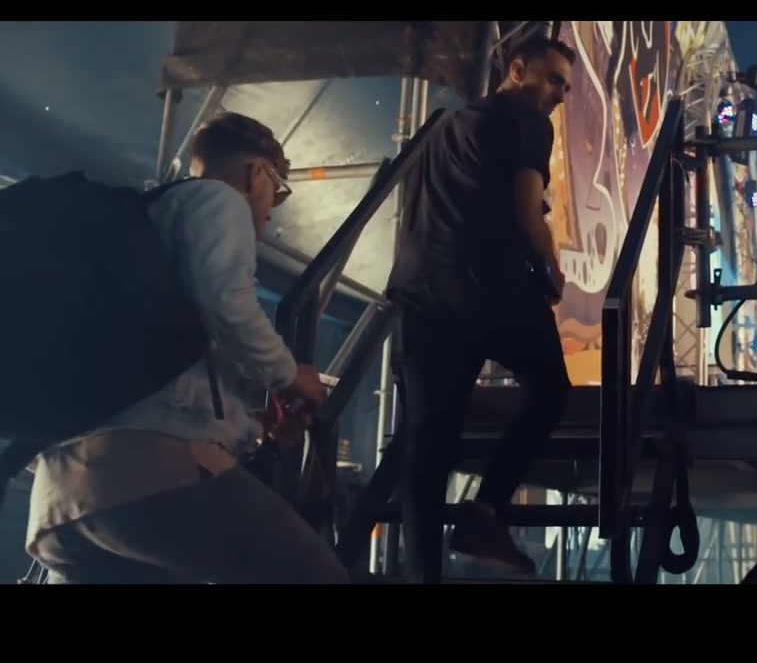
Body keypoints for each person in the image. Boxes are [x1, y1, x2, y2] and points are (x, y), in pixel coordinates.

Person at [25, 111, 349, 584]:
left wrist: (246, 420)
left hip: (65, 493)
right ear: (257, 175)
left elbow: (175, 361)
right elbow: (228, 303)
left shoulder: (149, 227)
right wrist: (289, 375)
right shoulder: (220, 200)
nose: (270, 212)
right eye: (278, 192)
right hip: (149, 472)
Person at [386, 35, 575, 580]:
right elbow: (527, 212)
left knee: (428, 443)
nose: (560, 94)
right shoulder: (527, 121)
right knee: (550, 392)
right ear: (516, 70)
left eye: (565, 85)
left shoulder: (444, 128)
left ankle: (423, 574)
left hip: (422, 294)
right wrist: (550, 271)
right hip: (488, 290)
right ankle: (485, 513)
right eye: (554, 79)